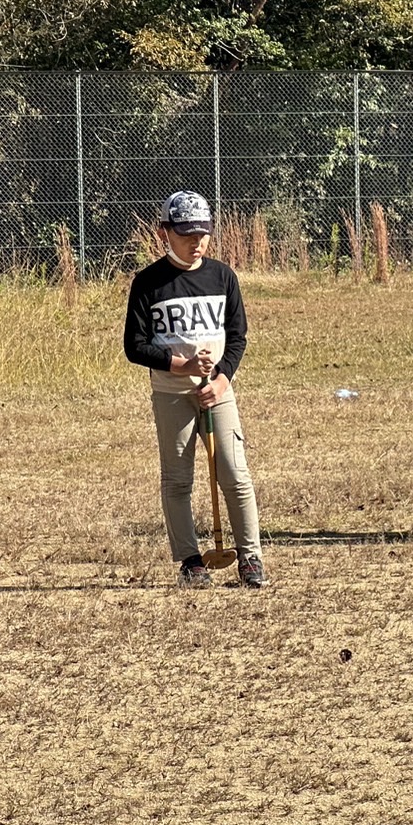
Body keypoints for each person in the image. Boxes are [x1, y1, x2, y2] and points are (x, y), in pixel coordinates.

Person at [123, 190, 266, 589]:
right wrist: (180, 365)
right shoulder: (148, 283)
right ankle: (190, 561)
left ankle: (250, 557)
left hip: (217, 390)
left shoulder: (222, 277)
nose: (196, 241)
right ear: (164, 232)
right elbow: (134, 346)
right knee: (178, 479)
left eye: (202, 232)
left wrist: (221, 379)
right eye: (185, 233)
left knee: (235, 473)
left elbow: (238, 337)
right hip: (171, 392)